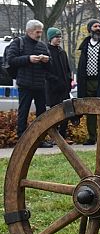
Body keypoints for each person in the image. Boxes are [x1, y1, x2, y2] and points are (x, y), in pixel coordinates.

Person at [5, 19, 52, 147]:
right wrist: (28, 59)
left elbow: (50, 67)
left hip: (40, 85)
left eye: (41, 32)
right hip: (25, 84)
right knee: (23, 112)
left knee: (42, 113)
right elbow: (11, 60)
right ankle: (22, 140)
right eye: (38, 32)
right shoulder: (18, 43)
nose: (39, 34)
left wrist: (47, 60)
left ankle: (40, 139)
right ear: (29, 31)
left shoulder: (42, 45)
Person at [45, 27, 74, 143]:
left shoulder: (62, 52)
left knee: (66, 112)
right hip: (53, 89)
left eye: (60, 37)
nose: (59, 39)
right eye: (57, 37)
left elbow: (67, 69)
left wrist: (69, 79)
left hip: (64, 88)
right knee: (54, 114)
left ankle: (62, 135)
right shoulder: (46, 51)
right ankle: (54, 138)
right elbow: (46, 72)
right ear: (51, 38)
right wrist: (56, 81)